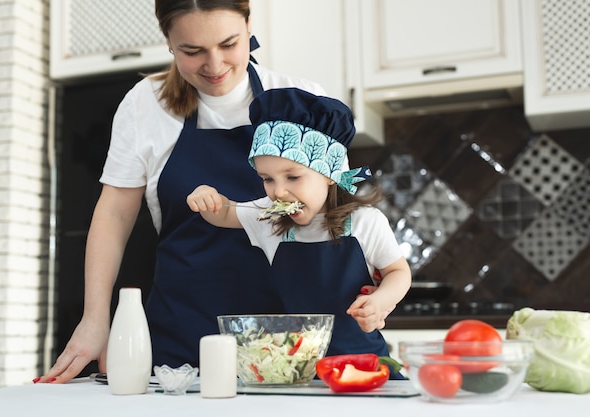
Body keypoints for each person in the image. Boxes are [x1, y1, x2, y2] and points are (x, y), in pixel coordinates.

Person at [37, 0, 334, 384]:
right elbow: (113, 215)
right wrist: (95, 318)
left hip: (291, 334)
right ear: (169, 43)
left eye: (229, 44)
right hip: (185, 333)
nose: (214, 65)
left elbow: (341, 206)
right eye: (192, 51)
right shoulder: (146, 103)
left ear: (249, 25)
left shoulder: (302, 99)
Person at [186, 88, 412, 378]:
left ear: (330, 174)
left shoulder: (365, 222)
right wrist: (207, 199)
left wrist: (381, 301)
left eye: (293, 176)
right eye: (267, 179)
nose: (278, 191)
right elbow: (225, 214)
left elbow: (398, 272)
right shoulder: (270, 219)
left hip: (365, 367)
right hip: (298, 372)